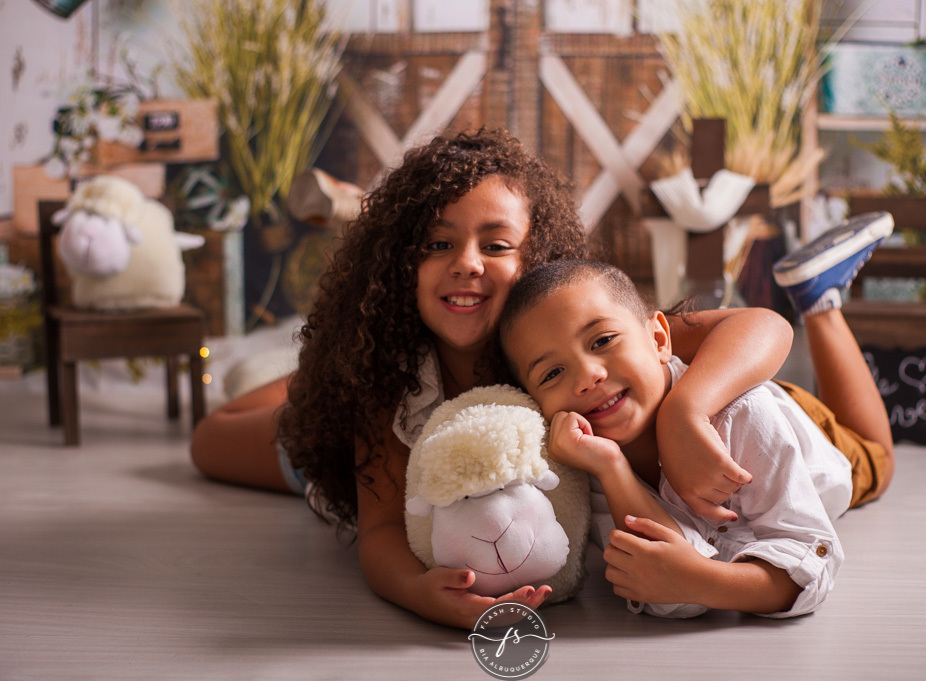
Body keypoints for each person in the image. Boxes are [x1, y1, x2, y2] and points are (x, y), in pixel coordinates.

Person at [190, 128, 795, 629]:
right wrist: (420, 591)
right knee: (213, 437)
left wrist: (686, 410)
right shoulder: (388, 379)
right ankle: (310, 374)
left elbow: (760, 324)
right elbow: (378, 531)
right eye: (437, 243)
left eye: (497, 243)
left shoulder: (578, 333)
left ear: (536, 258)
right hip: (349, 448)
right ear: (402, 264)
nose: (468, 263)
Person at [498, 212, 895, 618]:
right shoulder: (583, 459)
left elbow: (812, 564)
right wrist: (613, 468)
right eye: (552, 373)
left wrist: (704, 580)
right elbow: (665, 588)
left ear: (658, 339)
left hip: (787, 418)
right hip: (696, 401)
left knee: (876, 459)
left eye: (602, 341)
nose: (587, 377)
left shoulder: (745, 415)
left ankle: (820, 301)